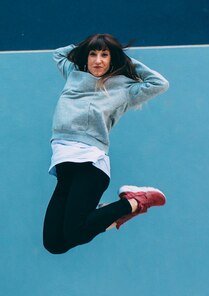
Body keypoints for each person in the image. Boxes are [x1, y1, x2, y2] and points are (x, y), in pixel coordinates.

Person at [43, 33, 170, 255]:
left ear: (113, 58)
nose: (98, 60)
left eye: (105, 55)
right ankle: (108, 213)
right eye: (93, 54)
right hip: (65, 166)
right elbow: (59, 53)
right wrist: (86, 46)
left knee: (75, 232)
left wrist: (125, 60)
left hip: (90, 165)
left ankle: (135, 201)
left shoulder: (124, 89)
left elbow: (160, 83)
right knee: (54, 243)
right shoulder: (74, 74)